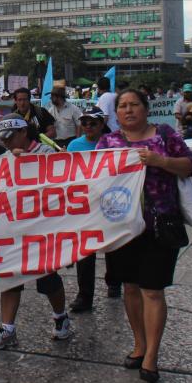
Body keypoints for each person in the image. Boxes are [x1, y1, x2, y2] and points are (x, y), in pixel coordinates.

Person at [96, 89, 192, 383]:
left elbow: (191, 166)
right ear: (116, 114)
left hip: (160, 225)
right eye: (123, 106)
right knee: (130, 288)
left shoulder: (164, 135)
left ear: (146, 108)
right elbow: (85, 176)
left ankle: (151, 356)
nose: (129, 110)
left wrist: (160, 161)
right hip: (122, 228)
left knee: (152, 290)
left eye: (134, 105)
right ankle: (139, 343)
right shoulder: (108, 142)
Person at [0, 115, 73, 349]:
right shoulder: (5, 157)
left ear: (24, 133)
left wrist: (26, 164)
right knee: (9, 278)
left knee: (47, 279)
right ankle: (7, 328)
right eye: (3, 139)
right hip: (13, 230)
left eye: (10, 137)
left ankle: (61, 318)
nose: (5, 143)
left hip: (42, 230)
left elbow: (60, 186)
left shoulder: (46, 153)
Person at [67, 106, 120, 311]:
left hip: (108, 202)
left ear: (102, 124)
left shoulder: (113, 143)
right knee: (85, 251)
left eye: (93, 123)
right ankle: (84, 295)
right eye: (84, 122)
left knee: (112, 246)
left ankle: (114, 282)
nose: (88, 126)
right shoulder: (74, 145)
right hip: (84, 205)